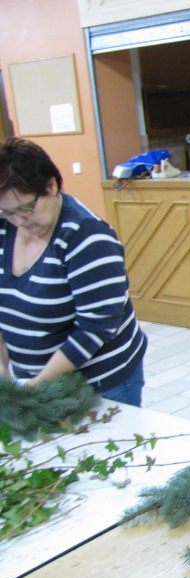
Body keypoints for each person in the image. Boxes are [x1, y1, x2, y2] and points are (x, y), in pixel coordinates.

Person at [0, 137, 147, 406]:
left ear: (51, 186)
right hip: (32, 381)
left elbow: (96, 327)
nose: (19, 220)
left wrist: (38, 386)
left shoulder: (86, 236)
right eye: (9, 212)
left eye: (26, 209)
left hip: (98, 385)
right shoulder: (5, 226)